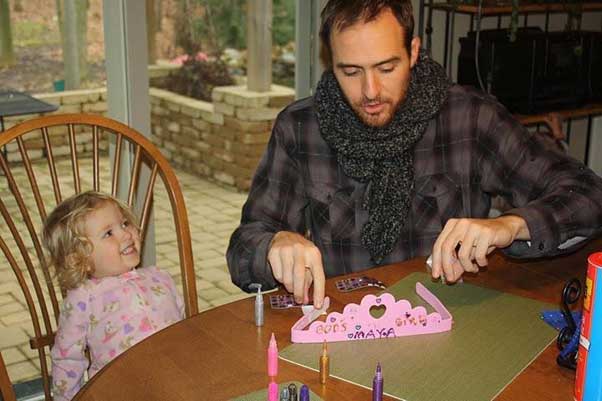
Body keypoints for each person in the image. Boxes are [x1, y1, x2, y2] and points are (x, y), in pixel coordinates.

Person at [227, 0, 602, 309]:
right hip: (343, 331)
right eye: (351, 71)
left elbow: (588, 194)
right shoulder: (300, 127)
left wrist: (510, 224)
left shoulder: (469, 118)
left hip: (453, 321)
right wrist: (274, 244)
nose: (371, 91)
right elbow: (243, 248)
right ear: (331, 62)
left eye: (387, 68)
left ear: (414, 51)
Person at [42, 191, 184, 401]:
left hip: (176, 382)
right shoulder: (84, 298)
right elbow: (68, 358)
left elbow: (187, 330)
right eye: (109, 233)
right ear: (80, 259)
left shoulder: (159, 277)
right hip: (120, 389)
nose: (126, 234)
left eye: (125, 223)